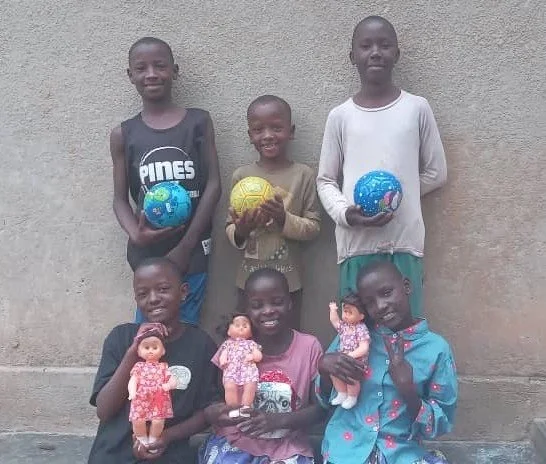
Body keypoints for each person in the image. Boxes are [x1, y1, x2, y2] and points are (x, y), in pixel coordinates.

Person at [316, 16, 447, 317]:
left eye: (384, 45)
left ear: (396, 54)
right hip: (356, 245)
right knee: (357, 332)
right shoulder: (340, 116)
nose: (375, 52)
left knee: (404, 329)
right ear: (352, 56)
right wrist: (347, 214)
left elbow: (436, 172)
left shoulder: (416, 108)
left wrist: (395, 199)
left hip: (403, 244)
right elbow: (325, 180)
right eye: (366, 46)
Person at [111, 37, 221, 325]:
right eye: (141, 68)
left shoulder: (198, 122)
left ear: (175, 70)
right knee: (149, 333)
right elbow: (119, 200)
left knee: (185, 329)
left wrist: (186, 246)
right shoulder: (124, 134)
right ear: (130, 75)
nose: (151, 74)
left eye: (159, 66)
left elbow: (213, 185)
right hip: (147, 254)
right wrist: (136, 234)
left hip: (192, 250)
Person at [316, 261, 457, 464]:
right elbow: (323, 401)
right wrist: (324, 369)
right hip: (346, 452)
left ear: (406, 286)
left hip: (402, 454)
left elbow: (440, 425)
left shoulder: (436, 350)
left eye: (386, 293)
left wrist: (408, 390)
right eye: (369, 302)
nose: (380, 306)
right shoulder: (353, 336)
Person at [88, 257, 220, 463]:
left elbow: (206, 412)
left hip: (169, 452)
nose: (153, 299)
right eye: (143, 294)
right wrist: (133, 352)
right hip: (115, 453)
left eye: (163, 289)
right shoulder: (120, 338)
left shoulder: (201, 345)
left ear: (183, 292)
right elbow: (104, 411)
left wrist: (167, 436)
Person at [199, 268, 325, 463]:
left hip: (287, 446)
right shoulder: (232, 347)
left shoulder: (309, 347)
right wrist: (217, 413)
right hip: (237, 441)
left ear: (290, 302)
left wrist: (278, 420)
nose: (268, 310)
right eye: (257, 305)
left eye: (277, 302)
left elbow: (319, 409)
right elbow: (214, 398)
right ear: (247, 310)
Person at [226, 95, 321, 329]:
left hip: (288, 282)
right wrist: (241, 230)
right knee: (245, 339)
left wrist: (283, 219)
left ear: (291, 131)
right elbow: (230, 227)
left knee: (288, 337)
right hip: (249, 281)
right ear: (250, 135)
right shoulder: (241, 176)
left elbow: (313, 226)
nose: (267, 135)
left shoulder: (303, 175)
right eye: (258, 130)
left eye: (276, 128)